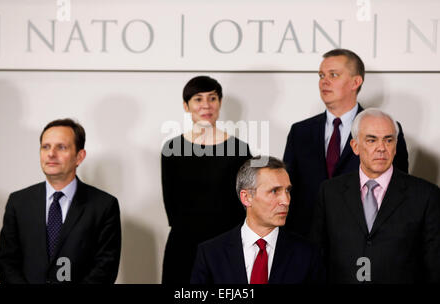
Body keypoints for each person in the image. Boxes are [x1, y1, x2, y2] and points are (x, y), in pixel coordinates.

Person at [283, 48, 409, 237]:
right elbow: (288, 188)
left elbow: (397, 191)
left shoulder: (386, 130)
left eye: (333, 75)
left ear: (356, 82)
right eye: (321, 75)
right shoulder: (300, 132)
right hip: (308, 240)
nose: (324, 82)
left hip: (363, 240)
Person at [310, 109, 440, 283]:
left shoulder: (426, 195)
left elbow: (434, 266)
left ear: (395, 147)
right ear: (355, 146)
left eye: (388, 140)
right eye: (372, 140)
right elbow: (317, 257)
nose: (381, 148)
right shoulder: (329, 192)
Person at [0, 118, 121, 284]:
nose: (51, 154)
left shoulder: (104, 206)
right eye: (45, 147)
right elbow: (7, 263)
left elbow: (105, 268)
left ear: (79, 156)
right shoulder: (18, 202)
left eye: (61, 147)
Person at [161, 76, 252, 284]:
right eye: (198, 99)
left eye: (212, 98)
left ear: (220, 103)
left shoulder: (240, 149)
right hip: (184, 245)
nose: (206, 105)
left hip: (228, 244)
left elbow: (245, 202)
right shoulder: (172, 149)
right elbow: (171, 205)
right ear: (186, 106)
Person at [190, 156, 325, 284]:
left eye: (288, 191)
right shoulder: (210, 254)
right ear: (247, 197)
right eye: (274, 191)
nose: (286, 200)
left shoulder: (308, 255)